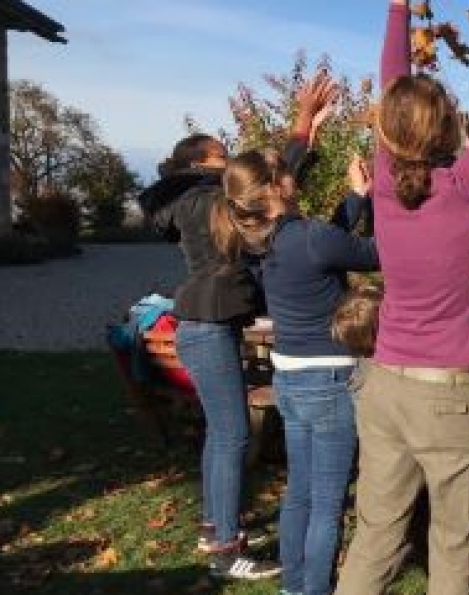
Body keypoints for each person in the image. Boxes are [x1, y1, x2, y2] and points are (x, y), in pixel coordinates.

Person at [334, 1, 469, 594]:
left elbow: (392, 77)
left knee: (375, 539)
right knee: (452, 548)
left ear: (385, 132)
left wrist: (398, 9)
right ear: (450, 126)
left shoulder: (386, 183)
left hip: (386, 387)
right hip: (451, 399)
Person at [135, 75, 333, 579]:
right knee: (232, 435)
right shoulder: (205, 200)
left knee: (221, 434)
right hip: (205, 325)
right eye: (222, 155)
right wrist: (302, 126)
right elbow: (262, 186)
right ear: (200, 164)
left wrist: (305, 131)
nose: (231, 162)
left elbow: (260, 191)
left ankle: (212, 527)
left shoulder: (193, 199)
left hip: (203, 323)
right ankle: (226, 551)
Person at [214, 137, 380, 595]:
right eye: (287, 172)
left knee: (301, 493)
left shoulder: (263, 242)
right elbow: (372, 253)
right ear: (276, 187)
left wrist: (357, 198)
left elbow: (328, 245)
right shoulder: (310, 237)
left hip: (290, 378)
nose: (295, 175)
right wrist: (383, 201)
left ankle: (294, 586)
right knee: (327, 504)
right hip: (330, 381)